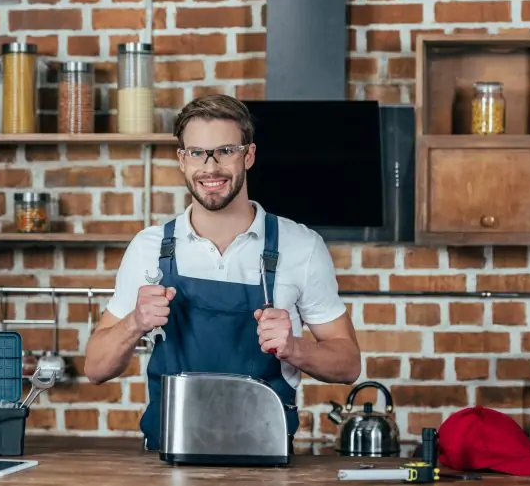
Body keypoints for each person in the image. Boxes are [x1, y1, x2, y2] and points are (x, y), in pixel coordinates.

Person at [83, 93, 361, 450]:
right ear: (182, 160)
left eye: (225, 151)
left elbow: (348, 365)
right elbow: (95, 368)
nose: (210, 167)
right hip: (167, 459)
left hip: (266, 459)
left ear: (249, 155)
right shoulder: (148, 247)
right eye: (197, 152)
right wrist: (135, 322)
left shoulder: (301, 246)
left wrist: (294, 348)